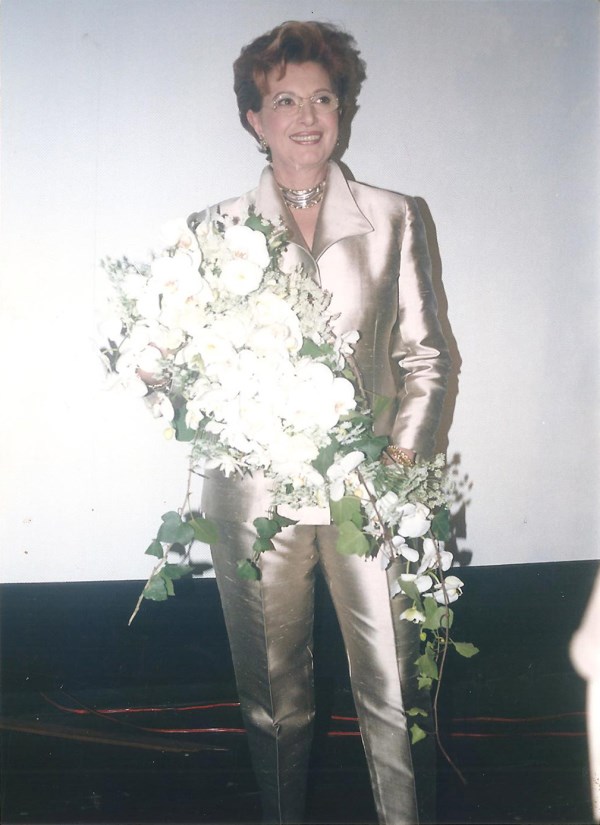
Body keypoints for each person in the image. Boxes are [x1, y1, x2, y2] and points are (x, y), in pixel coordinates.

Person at [187, 21, 451, 825]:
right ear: (254, 118)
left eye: (323, 98)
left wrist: (399, 466)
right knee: (273, 700)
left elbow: (427, 357)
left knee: (394, 688)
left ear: (343, 110)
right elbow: (194, 367)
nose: (306, 117)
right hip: (254, 498)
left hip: (370, 490)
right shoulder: (213, 230)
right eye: (285, 100)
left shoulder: (395, 216)